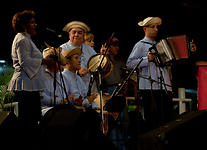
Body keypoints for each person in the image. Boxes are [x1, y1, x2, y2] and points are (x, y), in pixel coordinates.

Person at [7, 10, 52, 149]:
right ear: (24, 24)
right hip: (24, 85)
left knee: (32, 122)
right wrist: (44, 61)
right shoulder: (22, 39)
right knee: (27, 123)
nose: (35, 25)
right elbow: (25, 63)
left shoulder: (26, 39)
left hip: (29, 85)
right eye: (32, 22)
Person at [126, 17, 174, 133]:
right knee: (152, 120)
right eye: (153, 27)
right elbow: (129, 64)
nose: (156, 29)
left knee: (166, 119)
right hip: (149, 87)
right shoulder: (140, 45)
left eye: (157, 27)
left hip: (164, 86)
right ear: (145, 29)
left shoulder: (161, 44)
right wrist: (146, 59)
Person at [60, 21, 98, 94]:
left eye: (79, 33)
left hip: (89, 88)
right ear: (69, 34)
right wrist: (77, 71)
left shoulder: (89, 49)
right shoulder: (62, 48)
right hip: (70, 86)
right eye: (74, 32)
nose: (76, 35)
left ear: (83, 35)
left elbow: (97, 62)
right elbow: (60, 68)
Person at [40, 47, 75, 115]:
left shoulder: (63, 77)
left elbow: (69, 96)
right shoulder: (40, 77)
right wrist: (61, 102)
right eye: (56, 61)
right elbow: (42, 98)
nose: (58, 63)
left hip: (62, 109)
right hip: (46, 110)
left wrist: (74, 101)